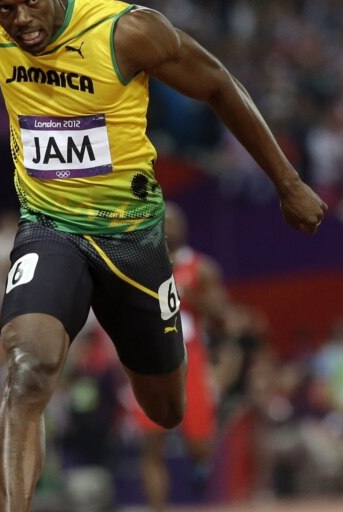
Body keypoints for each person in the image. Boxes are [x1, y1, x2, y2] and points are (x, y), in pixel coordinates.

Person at [0, 0, 327, 512]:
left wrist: (287, 183)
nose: (21, 20)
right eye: (6, 8)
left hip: (133, 239)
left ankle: (158, 345)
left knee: (166, 410)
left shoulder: (126, 32)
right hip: (50, 228)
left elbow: (217, 83)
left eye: (31, 2)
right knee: (27, 371)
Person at [125, 202, 224, 510]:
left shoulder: (201, 268)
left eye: (175, 222)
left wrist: (191, 296)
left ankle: (200, 464)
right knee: (151, 443)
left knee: (199, 445)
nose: (170, 227)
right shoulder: (139, 264)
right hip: (150, 356)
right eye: (164, 222)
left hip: (190, 358)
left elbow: (222, 319)